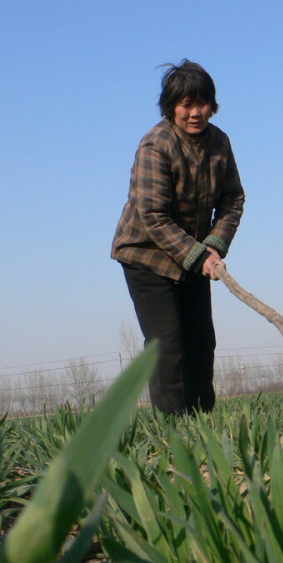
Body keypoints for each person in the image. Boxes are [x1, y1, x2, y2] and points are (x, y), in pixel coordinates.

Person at [112, 60, 245, 415]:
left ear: (212, 105)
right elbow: (153, 215)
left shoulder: (219, 143)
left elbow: (233, 200)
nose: (195, 112)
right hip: (146, 255)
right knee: (168, 344)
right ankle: (174, 431)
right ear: (172, 107)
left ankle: (204, 423)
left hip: (194, 257)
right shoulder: (156, 145)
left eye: (202, 103)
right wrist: (198, 254)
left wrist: (214, 246)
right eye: (186, 104)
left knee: (201, 341)